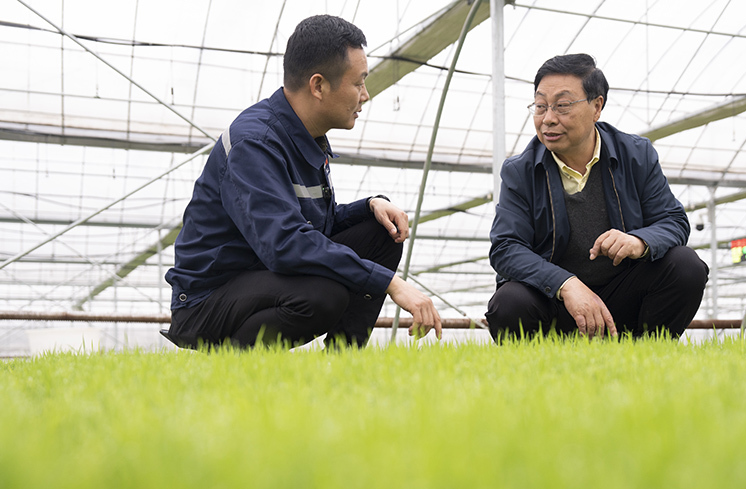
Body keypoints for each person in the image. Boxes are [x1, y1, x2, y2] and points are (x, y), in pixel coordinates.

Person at [164, 15, 441, 349]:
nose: (365, 95)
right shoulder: (256, 143)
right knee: (323, 295)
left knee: (381, 231)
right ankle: (231, 365)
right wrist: (391, 284)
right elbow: (285, 244)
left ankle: (343, 362)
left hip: (262, 275)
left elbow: (315, 226)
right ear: (319, 86)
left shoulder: (305, 137)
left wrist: (370, 206)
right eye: (359, 83)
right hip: (208, 300)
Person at [486, 54, 708, 342]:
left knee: (685, 266)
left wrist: (639, 241)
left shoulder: (636, 154)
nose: (548, 118)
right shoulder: (521, 171)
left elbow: (674, 221)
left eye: (562, 106)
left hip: (622, 298)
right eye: (540, 106)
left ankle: (646, 354)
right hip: (556, 300)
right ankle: (541, 376)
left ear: (596, 106)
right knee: (509, 302)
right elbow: (505, 247)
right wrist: (565, 283)